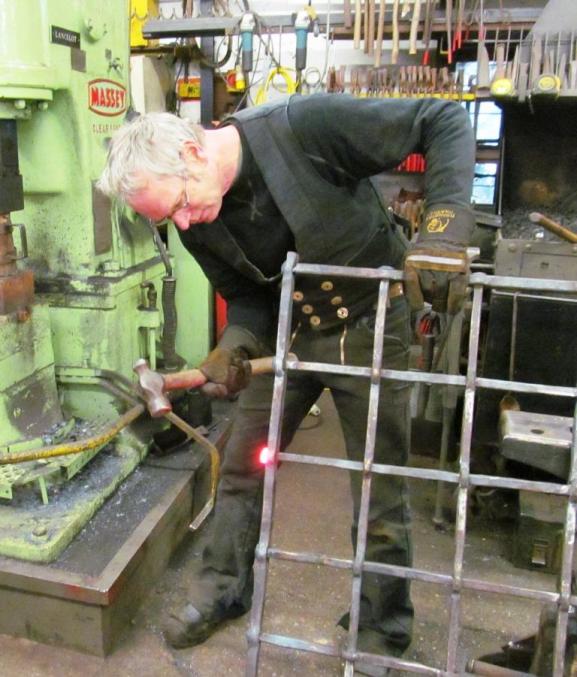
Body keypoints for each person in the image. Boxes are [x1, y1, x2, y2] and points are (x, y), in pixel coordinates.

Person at [98, 93, 475, 676]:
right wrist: (233, 348)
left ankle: (382, 626)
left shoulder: (305, 127)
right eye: (164, 220)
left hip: (371, 320)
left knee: (379, 483)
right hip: (289, 336)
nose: (181, 223)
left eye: (177, 205)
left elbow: (442, 118)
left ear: (194, 153)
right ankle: (222, 588)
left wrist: (444, 230)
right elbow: (248, 295)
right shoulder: (198, 217)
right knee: (245, 467)